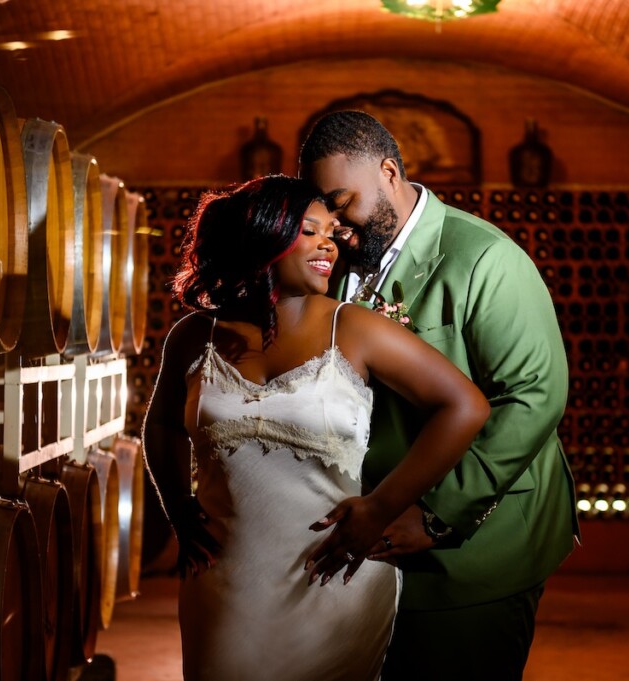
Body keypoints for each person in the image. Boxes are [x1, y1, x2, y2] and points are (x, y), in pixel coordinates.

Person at [142, 174, 490, 681]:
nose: (330, 242)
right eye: (311, 230)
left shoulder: (354, 327)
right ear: (267, 234)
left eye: (333, 231)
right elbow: (161, 427)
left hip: (336, 575)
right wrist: (177, 509)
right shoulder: (195, 334)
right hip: (225, 580)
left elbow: (465, 407)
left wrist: (382, 507)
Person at [299, 110, 580, 680]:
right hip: (372, 544)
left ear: (389, 172)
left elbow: (534, 397)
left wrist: (434, 516)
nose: (335, 223)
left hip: (477, 548)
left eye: (342, 200)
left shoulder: (485, 259)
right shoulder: (341, 260)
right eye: (323, 208)